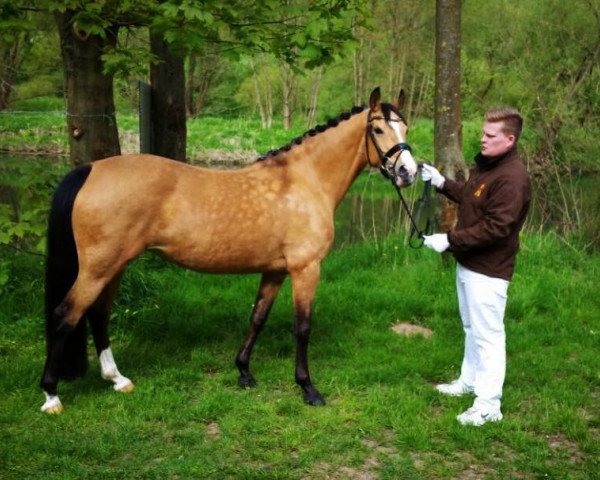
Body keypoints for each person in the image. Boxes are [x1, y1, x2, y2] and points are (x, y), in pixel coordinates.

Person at [421, 107, 531, 426]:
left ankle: (488, 405)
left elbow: (497, 227)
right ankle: (468, 382)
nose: (482, 139)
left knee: (488, 336)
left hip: (490, 270)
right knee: (471, 328)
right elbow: (471, 196)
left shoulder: (512, 178)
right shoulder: (488, 167)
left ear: (509, 140)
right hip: (469, 264)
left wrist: (449, 240)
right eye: (483, 133)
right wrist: (442, 183)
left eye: (490, 136)